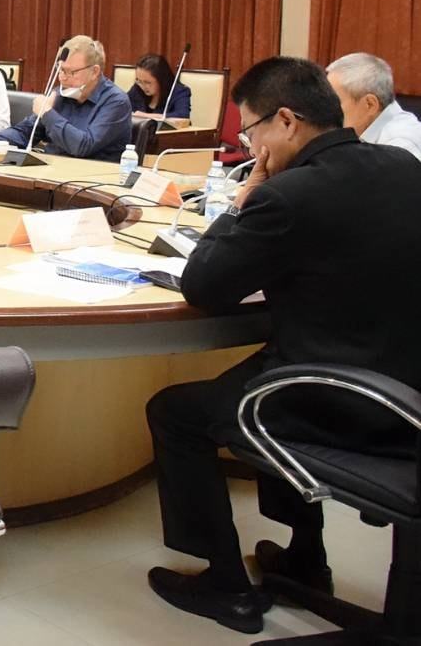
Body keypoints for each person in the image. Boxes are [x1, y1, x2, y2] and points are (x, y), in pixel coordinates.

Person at [145, 56, 421, 634]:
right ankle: (305, 558)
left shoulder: (289, 196)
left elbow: (203, 286)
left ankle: (226, 586)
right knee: (264, 373)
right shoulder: (404, 167)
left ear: (288, 122)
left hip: (343, 400)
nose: (252, 145)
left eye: (252, 131)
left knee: (178, 412)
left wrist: (245, 194)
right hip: (409, 392)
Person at [0, 35, 131, 162]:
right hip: (54, 172)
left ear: (94, 72)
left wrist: (47, 113)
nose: (63, 78)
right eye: (61, 70)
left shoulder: (116, 102)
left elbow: (83, 146)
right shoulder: (61, 94)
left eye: (71, 72)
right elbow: (26, 132)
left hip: (92, 180)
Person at [325, 52, 421, 161]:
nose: (327, 109)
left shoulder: (401, 146)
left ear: (370, 104)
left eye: (334, 102)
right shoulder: (359, 130)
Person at [128, 53, 192, 127]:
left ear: (161, 80)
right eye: (138, 80)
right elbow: (123, 107)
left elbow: (183, 116)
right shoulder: (137, 88)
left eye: (147, 82)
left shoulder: (179, 92)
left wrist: (145, 116)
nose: (142, 86)